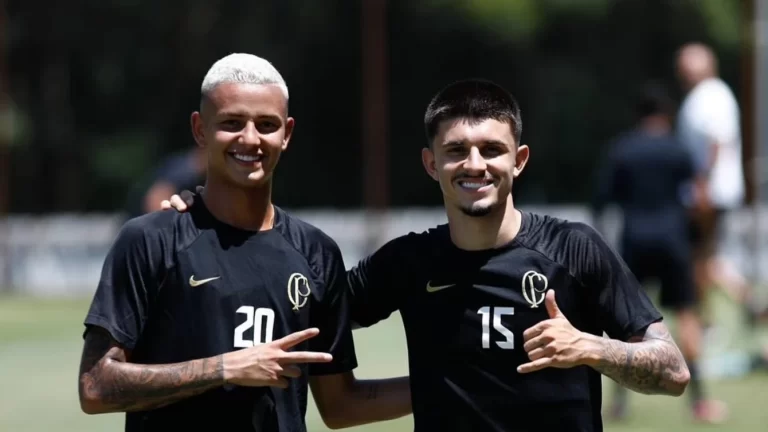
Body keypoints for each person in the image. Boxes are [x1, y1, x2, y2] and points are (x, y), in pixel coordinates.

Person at [164, 79, 690, 432]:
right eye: (456, 151)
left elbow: (672, 370)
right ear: (431, 164)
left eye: (492, 149)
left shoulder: (573, 249)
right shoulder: (408, 264)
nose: (475, 165)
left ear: (520, 160)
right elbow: (308, 304)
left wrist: (589, 347)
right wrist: (209, 214)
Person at [78, 53, 411, 432]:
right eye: (232, 123)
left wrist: (452, 381)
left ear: (286, 133)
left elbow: (340, 406)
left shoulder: (316, 252)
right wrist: (226, 367)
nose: (250, 139)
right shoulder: (150, 240)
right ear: (200, 130)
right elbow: (95, 386)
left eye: (266, 125)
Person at [592, 83, 720, 423]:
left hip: (634, 242)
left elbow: (602, 202)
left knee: (628, 324)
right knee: (687, 316)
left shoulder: (621, 149)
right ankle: (700, 403)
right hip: (673, 241)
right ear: (666, 115)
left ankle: (618, 405)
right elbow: (699, 197)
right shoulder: (678, 149)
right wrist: (700, 240)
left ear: (638, 116)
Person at [676, 43, 751, 313]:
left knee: (698, 260)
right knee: (703, 259)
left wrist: (702, 186)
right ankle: (745, 304)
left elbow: (716, 142)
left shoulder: (712, 96)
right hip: (709, 189)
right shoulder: (704, 95)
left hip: (710, 191)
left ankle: (739, 305)